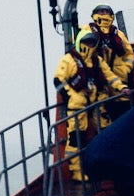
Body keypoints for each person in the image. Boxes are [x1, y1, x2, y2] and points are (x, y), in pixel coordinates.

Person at [52, 30, 127, 181]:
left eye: (92, 42)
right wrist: (71, 96)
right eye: (86, 42)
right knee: (76, 138)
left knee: (106, 132)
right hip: (77, 106)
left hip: (96, 103)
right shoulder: (69, 60)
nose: (89, 45)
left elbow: (110, 77)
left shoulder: (97, 61)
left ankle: (107, 166)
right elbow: (58, 80)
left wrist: (121, 88)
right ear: (79, 42)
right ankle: (77, 171)